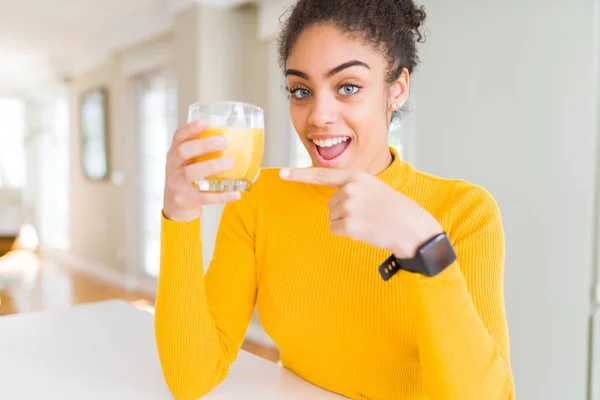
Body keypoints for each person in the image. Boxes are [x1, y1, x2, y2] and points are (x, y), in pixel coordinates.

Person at [154, 0, 515, 399]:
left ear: (396, 88)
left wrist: (421, 245)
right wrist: (179, 214)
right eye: (301, 90)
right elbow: (191, 378)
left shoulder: (465, 211)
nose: (319, 115)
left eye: (348, 87)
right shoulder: (258, 199)